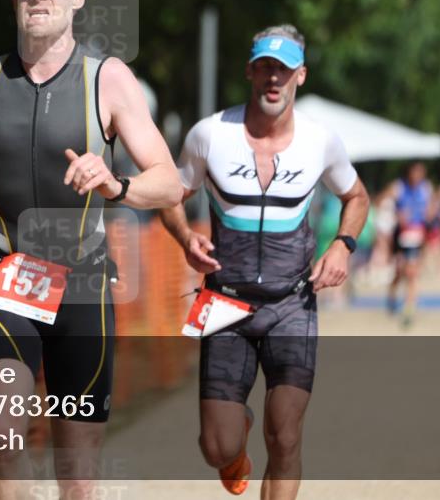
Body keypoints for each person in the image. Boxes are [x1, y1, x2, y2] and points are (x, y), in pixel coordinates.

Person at [0, 0, 181, 499]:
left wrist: (116, 184)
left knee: (77, 472)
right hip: (6, 274)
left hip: (82, 287)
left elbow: (167, 183)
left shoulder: (109, 79)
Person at [158, 25, 369, 499]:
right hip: (225, 305)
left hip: (292, 304)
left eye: (284, 70)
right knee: (217, 446)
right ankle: (234, 439)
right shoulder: (210, 134)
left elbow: (356, 196)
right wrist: (183, 235)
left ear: (301, 76)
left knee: (286, 436)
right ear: (250, 72)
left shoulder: (321, 141)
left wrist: (342, 246)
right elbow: (172, 193)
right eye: (265, 68)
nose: (273, 79)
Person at [382, 162, 433, 328]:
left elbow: (431, 209)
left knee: (412, 272)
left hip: (417, 234)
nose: (417, 176)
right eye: (415, 172)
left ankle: (409, 308)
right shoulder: (399, 186)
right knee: (400, 271)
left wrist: (429, 216)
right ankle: (392, 297)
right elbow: (382, 200)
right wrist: (397, 213)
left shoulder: (426, 188)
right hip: (401, 235)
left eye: (420, 173)